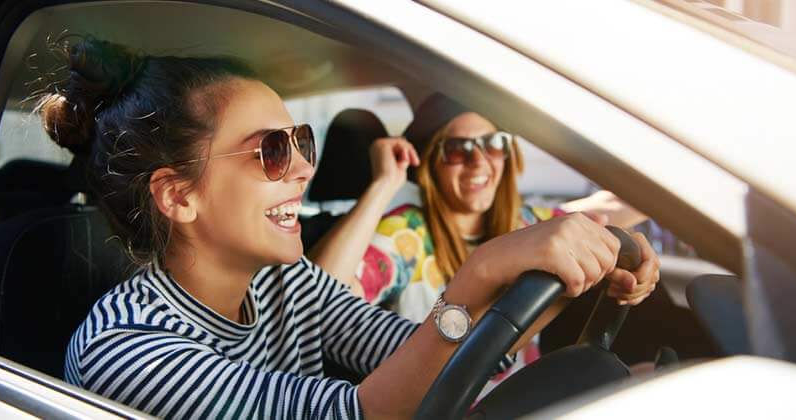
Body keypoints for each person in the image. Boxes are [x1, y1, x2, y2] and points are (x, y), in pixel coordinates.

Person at [42, 38, 659, 419]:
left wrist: (577, 270)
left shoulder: (287, 285)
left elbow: (434, 356)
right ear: (178, 195)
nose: (306, 169)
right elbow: (360, 414)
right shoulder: (125, 349)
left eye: (302, 143)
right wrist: (481, 271)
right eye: (273, 151)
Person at [309, 94, 653, 391]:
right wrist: (383, 184)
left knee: (647, 379)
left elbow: (609, 214)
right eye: (457, 150)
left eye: (493, 144)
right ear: (431, 163)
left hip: (520, 396)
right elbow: (317, 300)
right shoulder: (407, 233)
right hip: (443, 405)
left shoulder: (528, 225)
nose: (479, 161)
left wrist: (633, 254)